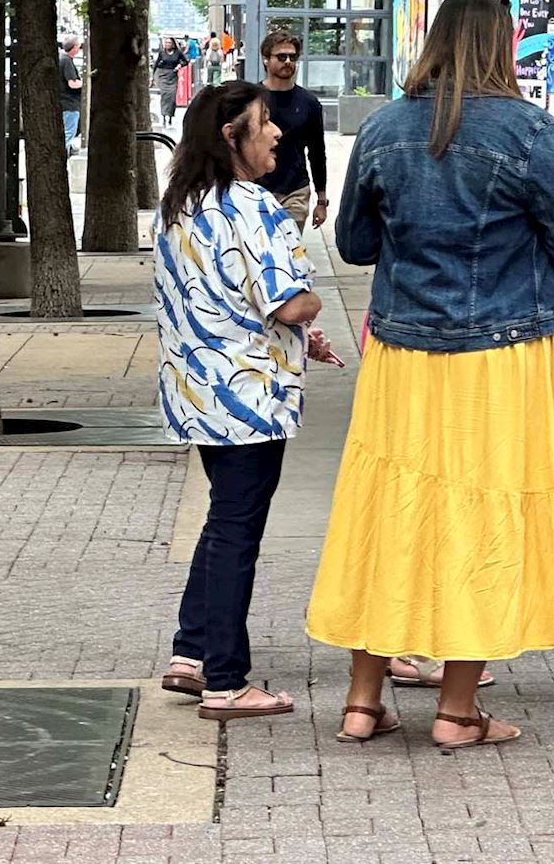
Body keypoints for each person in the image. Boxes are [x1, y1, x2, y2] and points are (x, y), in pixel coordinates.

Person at [304, 0, 554, 745]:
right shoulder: (531, 130)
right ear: (503, 45)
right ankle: (457, 711)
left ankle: (362, 700)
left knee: (387, 511)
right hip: (504, 358)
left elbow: (355, 245)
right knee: (485, 513)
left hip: (401, 354)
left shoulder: (384, 127)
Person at [154, 80, 328, 721]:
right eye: (264, 123)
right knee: (237, 530)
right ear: (232, 136)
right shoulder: (253, 206)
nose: (278, 132)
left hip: (197, 392)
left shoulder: (180, 203)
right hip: (250, 398)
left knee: (223, 519)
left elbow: (222, 296)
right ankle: (226, 681)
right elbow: (288, 302)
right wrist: (311, 305)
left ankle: (193, 651)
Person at [257, 31, 328, 233]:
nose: (288, 61)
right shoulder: (251, 100)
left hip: (295, 191)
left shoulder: (309, 103)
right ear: (266, 60)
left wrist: (321, 200)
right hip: (256, 190)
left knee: (289, 247)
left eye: (293, 57)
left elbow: (317, 153)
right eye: (281, 57)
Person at [151, 36, 188, 128]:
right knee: (164, 96)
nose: (167, 44)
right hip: (163, 75)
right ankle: (164, 116)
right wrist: (153, 77)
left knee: (172, 96)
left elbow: (185, 61)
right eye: (166, 43)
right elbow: (156, 64)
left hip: (173, 75)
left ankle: (170, 115)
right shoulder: (162, 53)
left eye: (169, 43)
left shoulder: (178, 53)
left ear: (173, 44)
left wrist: (179, 65)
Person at [58, 35, 83, 153]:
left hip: (64, 103)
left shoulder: (61, 59)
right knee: (68, 134)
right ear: (74, 48)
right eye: (78, 46)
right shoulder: (67, 61)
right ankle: (64, 156)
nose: (79, 49)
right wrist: (85, 82)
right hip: (70, 104)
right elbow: (72, 83)